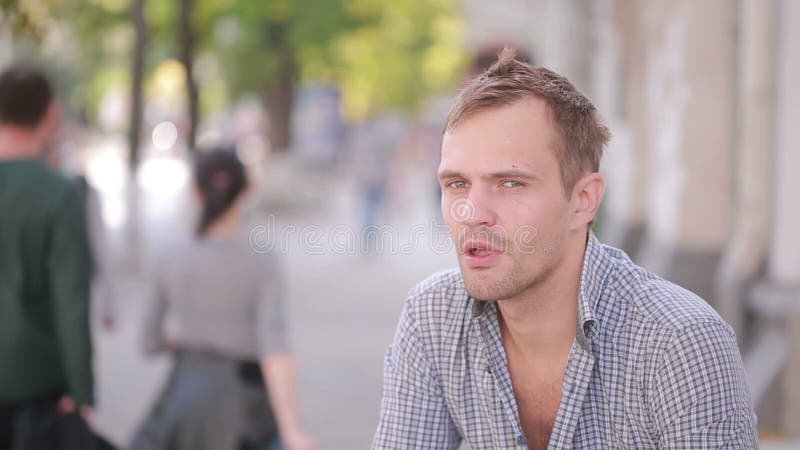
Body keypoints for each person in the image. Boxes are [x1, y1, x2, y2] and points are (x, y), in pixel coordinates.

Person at [373, 48, 758, 449]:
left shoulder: (679, 342)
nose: (472, 213)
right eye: (457, 184)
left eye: (510, 183)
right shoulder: (433, 317)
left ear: (583, 200)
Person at [130, 149, 315, 450]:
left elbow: (148, 342)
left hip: (183, 401)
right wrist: (292, 429)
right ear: (247, 191)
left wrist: (181, 339)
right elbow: (275, 347)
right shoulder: (263, 261)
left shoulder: (171, 254)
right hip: (247, 408)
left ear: (196, 193)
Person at [0, 66, 94, 446]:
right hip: (36, 384)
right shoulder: (60, 195)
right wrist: (82, 388)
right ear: (50, 114)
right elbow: (71, 301)